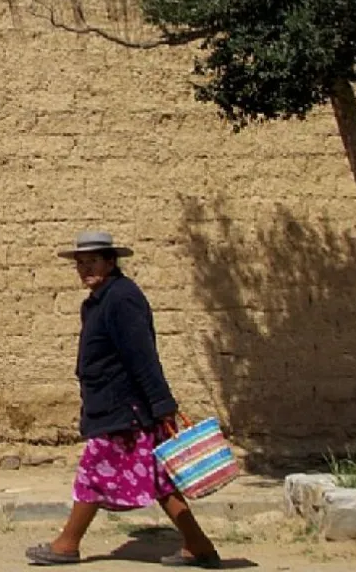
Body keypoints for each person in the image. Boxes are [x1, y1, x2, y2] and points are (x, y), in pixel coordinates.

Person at [24, 230, 221, 568]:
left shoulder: (121, 299)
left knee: (93, 473)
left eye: (93, 261)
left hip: (123, 408)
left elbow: (141, 356)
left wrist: (162, 405)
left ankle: (67, 544)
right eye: (81, 263)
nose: (85, 268)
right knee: (160, 479)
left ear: (111, 262)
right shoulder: (103, 299)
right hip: (116, 405)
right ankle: (198, 545)